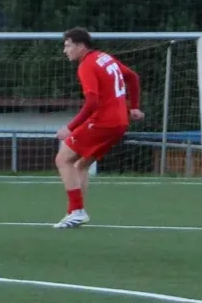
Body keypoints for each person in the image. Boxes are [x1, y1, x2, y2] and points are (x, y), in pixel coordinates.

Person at [54, 28, 143, 229]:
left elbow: (92, 103)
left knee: (63, 159)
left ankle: (77, 211)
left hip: (103, 121)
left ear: (80, 46)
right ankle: (74, 213)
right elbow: (133, 77)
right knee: (81, 164)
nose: (64, 50)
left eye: (67, 45)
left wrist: (70, 127)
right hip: (119, 123)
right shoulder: (105, 58)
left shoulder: (86, 65)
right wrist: (134, 106)